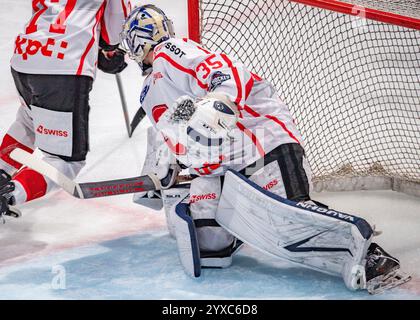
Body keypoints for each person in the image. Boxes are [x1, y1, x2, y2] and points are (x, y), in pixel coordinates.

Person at [120, 5, 409, 294]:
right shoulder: (149, 89)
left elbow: (222, 69)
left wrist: (222, 97)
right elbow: (174, 129)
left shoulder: (169, 52)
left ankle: (370, 256)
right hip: (224, 169)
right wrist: (164, 171)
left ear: (138, 39)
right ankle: (240, 228)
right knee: (209, 247)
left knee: (291, 221)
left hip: (261, 144)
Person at [0, 0, 131, 219]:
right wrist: (110, 47)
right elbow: (118, 15)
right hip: (64, 64)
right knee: (66, 161)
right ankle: (9, 197)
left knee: (30, 120)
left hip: (27, 54)